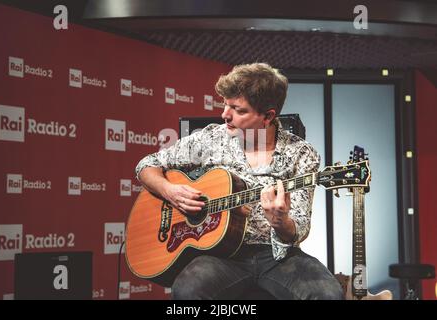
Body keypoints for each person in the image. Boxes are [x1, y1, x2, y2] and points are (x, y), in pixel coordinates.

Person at [135, 62, 343, 300]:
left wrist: (281, 221)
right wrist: (170, 191)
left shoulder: (301, 154)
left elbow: (300, 227)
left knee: (327, 294)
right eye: (225, 104)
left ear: (267, 116)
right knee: (188, 290)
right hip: (220, 255)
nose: (225, 115)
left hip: (277, 257)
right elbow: (146, 165)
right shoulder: (211, 138)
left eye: (238, 109)